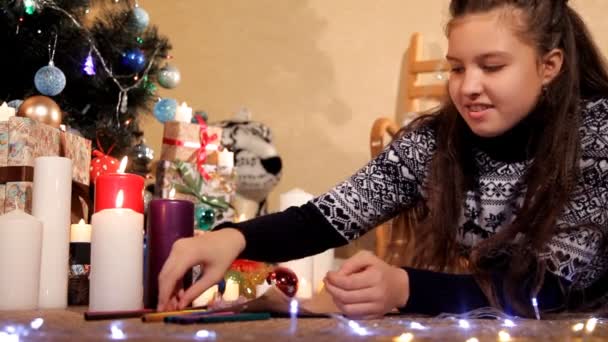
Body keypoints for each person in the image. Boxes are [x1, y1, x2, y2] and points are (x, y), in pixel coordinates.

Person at [158, 0, 608, 318]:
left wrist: (404, 288)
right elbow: (329, 217)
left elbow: (553, 291)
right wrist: (230, 239)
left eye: (491, 67)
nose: (467, 86)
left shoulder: (596, 136)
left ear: (549, 66)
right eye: (456, 67)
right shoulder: (436, 142)